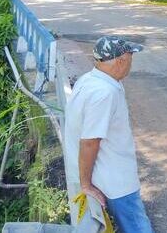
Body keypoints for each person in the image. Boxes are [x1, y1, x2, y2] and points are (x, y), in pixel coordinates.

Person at [64, 36, 155, 233]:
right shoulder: (104, 93)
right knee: (137, 226)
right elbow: (90, 141)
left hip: (107, 175)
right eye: (131, 56)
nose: (131, 62)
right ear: (121, 60)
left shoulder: (90, 80)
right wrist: (86, 185)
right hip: (115, 181)